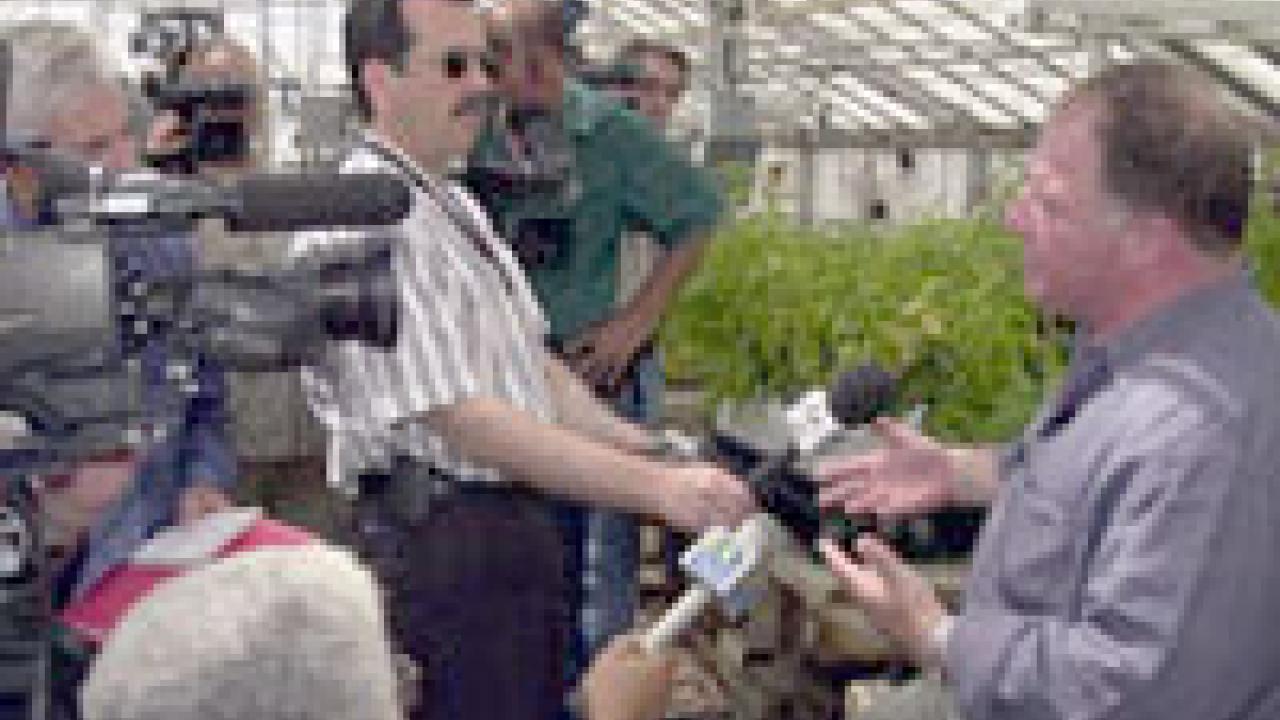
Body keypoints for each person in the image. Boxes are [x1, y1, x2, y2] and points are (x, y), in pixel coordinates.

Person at [298, 2, 753, 719]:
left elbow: (532, 368)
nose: (480, 84)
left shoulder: (450, 202)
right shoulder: (365, 215)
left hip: (505, 538)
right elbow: (465, 420)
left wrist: (650, 449)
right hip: (443, 549)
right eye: (453, 66)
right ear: (380, 81)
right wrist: (654, 490)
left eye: (484, 63)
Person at [815, 61, 1280, 720]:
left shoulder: (1203, 433)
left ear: (1146, 237)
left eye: (1048, 202)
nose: (1014, 220)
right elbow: (1106, 490)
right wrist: (964, 474)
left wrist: (938, 637)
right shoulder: (1131, 360)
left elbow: (1135, 693)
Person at [471, 1, 724, 688]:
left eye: (502, 60)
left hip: (589, 378)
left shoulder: (608, 132)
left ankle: (599, 689)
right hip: (497, 383)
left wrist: (634, 322)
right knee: (518, 561)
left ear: (549, 57)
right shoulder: (474, 125)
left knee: (597, 567)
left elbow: (698, 215)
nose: (488, 77)